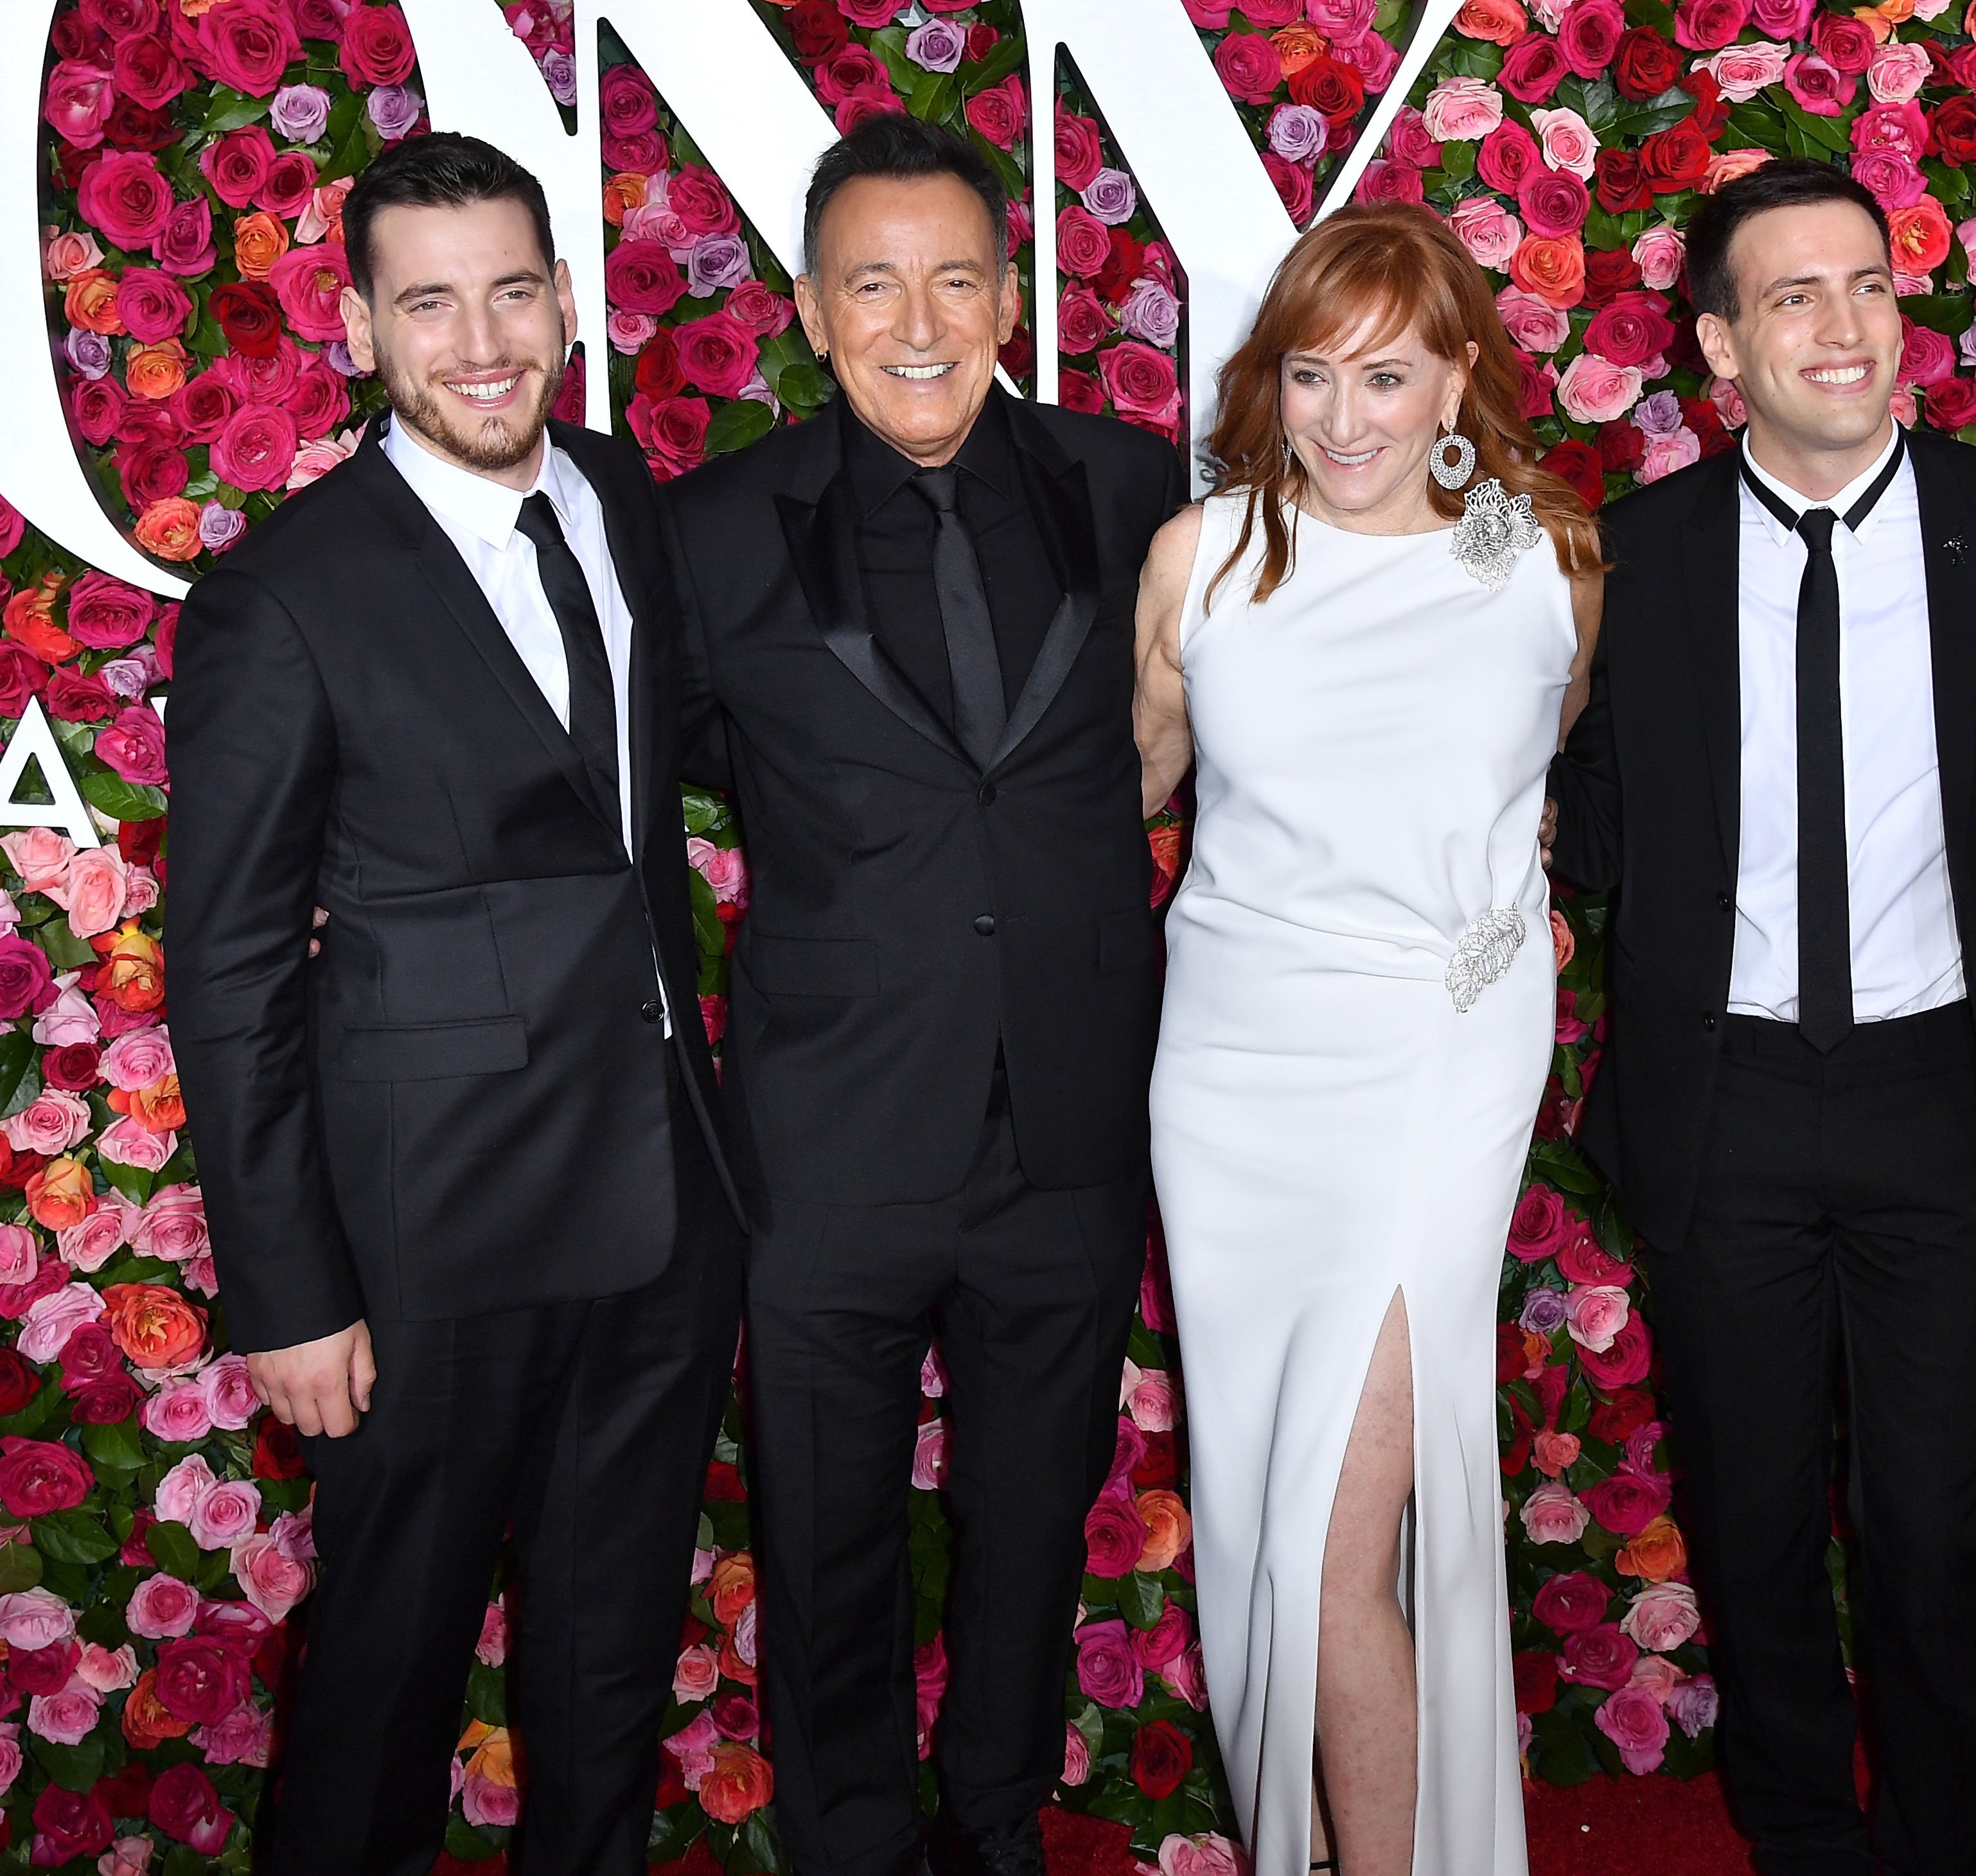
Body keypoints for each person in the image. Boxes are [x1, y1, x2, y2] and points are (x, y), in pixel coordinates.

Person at [166, 134, 745, 1876]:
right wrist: (288, 1284)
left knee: (606, 1655)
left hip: (661, 1193)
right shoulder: (286, 593)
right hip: (431, 1232)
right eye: (430, 303)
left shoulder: (614, 493)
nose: (480, 342)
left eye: (510, 292)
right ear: (361, 328)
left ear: (567, 302)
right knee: (387, 1678)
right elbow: (233, 960)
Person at [1547, 160, 1976, 1876]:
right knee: (1757, 1522)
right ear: (1720, 344)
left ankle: (1949, 1846)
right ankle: (1804, 1840)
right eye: (1792, 295)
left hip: (1954, 1098)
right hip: (1733, 1101)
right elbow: (1585, 836)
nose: (1843, 323)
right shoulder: (1627, 563)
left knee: (1940, 1531)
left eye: (1866, 283)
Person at [662, 114, 1183, 1876]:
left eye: (956, 275)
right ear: (811, 311)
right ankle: (856, 1840)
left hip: (1071, 1120)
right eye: (872, 282)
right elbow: (642, 786)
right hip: (830, 1135)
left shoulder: (1130, 487)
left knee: (1035, 1518)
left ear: (1012, 291)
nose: (918, 320)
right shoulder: (714, 534)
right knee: (825, 1535)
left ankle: (995, 1810)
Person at [1133, 202, 1602, 1876]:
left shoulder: (1547, 566)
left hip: (1438, 1060)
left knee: (1337, 1540)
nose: (1344, 419)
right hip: (1234, 1067)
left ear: (1459, 378)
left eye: (1388, 376)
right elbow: (1132, 793)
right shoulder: (1208, 560)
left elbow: (1521, 794)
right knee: (1265, 1516)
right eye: (1313, 374)